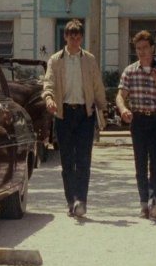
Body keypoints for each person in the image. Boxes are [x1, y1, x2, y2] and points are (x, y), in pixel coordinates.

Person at [42, 19, 107, 218]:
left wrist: (103, 109)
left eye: (78, 36)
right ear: (65, 37)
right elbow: (49, 84)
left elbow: (97, 86)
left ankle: (82, 200)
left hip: (84, 115)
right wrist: (49, 99)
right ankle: (71, 201)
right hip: (64, 115)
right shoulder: (55, 60)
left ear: (81, 38)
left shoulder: (89, 59)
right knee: (68, 161)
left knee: (84, 160)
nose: (74, 39)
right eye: (71, 35)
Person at [115, 30, 156, 220]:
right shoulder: (130, 71)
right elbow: (120, 95)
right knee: (140, 163)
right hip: (138, 120)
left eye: (145, 48)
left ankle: (155, 201)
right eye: (138, 49)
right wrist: (123, 110)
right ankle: (143, 203)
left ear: (153, 48)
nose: (142, 52)